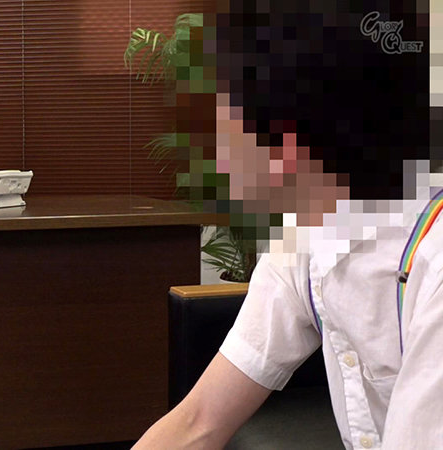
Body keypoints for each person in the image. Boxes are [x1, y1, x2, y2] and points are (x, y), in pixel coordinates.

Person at [134, 0, 439, 448]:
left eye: (223, 136)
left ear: (286, 147)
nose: (216, 160)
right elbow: (198, 422)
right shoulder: (305, 241)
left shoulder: (433, 262)